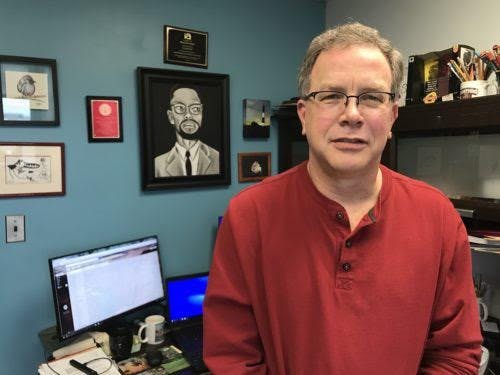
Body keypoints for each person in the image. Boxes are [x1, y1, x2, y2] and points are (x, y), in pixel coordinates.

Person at [203, 22, 482, 374]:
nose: (352, 115)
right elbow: (231, 359)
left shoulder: (438, 216)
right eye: (331, 95)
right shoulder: (249, 215)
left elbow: (455, 355)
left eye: (371, 97)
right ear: (304, 115)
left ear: (392, 116)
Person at [154, 86, 219, 177]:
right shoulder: (158, 165)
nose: (188, 115)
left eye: (195, 109)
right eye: (180, 108)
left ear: (201, 113)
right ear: (171, 116)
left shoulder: (218, 158)